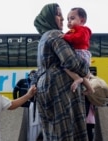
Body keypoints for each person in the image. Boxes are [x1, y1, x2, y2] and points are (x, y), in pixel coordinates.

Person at [34, 3, 90, 141]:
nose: (63, 19)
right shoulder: (55, 34)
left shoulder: (43, 39)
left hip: (45, 86)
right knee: (67, 129)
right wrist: (85, 69)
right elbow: (70, 61)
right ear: (49, 17)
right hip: (60, 86)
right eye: (59, 14)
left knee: (52, 131)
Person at [59, 7, 94, 95]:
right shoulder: (73, 30)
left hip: (80, 52)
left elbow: (79, 38)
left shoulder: (83, 29)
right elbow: (67, 35)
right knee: (80, 72)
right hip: (79, 53)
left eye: (72, 18)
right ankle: (90, 88)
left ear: (82, 20)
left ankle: (77, 78)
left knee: (65, 65)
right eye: (68, 19)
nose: (69, 21)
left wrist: (65, 37)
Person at [14, 70, 42, 141]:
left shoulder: (38, 83)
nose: (33, 76)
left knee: (37, 124)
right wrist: (17, 101)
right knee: (30, 125)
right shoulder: (22, 81)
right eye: (32, 74)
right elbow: (15, 90)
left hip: (34, 105)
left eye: (34, 74)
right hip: (24, 106)